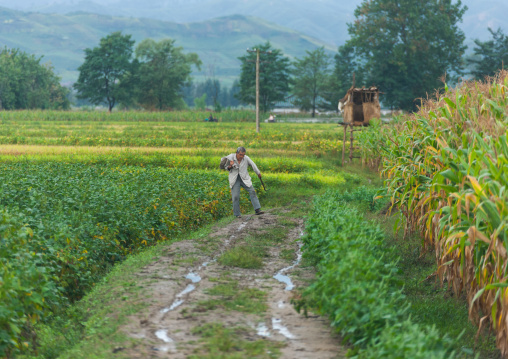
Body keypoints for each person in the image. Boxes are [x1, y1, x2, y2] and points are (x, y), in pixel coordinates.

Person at [223, 147, 264, 218]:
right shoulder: (231, 158)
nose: (241, 156)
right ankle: (237, 214)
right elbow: (226, 167)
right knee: (235, 196)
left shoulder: (246, 158)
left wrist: (258, 173)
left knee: (252, 191)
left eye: (243, 155)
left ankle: (257, 209)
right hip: (235, 179)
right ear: (236, 153)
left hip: (244, 178)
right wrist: (230, 166)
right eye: (240, 155)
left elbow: (253, 164)